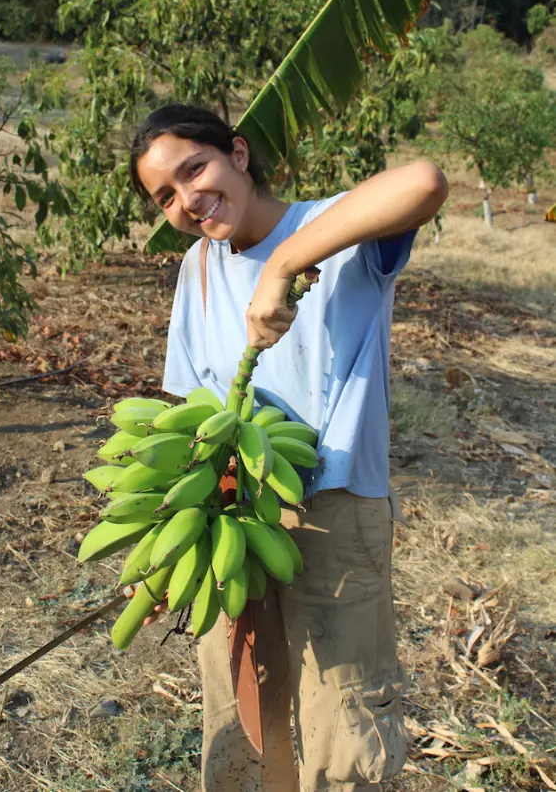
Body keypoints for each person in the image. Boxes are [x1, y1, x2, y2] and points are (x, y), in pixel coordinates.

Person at [128, 103, 449, 792]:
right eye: (166, 195)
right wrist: (163, 550)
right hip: (230, 518)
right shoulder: (198, 269)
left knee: (343, 714)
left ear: (238, 154)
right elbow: (191, 410)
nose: (188, 198)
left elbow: (424, 180)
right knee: (244, 700)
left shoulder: (336, 229)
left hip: (333, 510)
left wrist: (285, 265)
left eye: (196, 168)